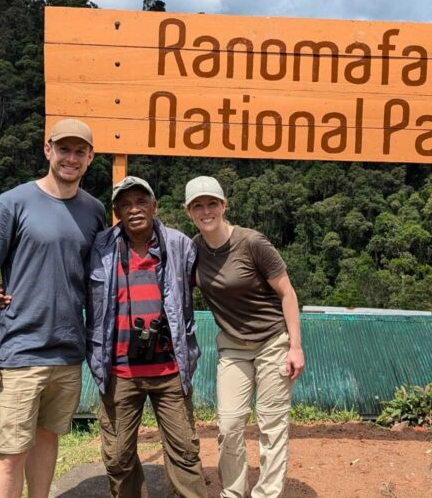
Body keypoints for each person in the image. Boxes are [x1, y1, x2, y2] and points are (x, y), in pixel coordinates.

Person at [0, 118, 106, 498]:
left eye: (80, 151)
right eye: (64, 149)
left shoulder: (94, 211)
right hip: (20, 350)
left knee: (47, 439)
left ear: (91, 157)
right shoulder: (12, 203)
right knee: (11, 451)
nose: (71, 158)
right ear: (48, 150)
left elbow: (95, 279)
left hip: (67, 352)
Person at [183, 176, 305, 498]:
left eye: (212, 204)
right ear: (189, 212)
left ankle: (266, 494)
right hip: (233, 348)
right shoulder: (192, 250)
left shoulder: (252, 243)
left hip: (272, 343)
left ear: (224, 206)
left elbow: (287, 293)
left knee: (271, 425)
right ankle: (233, 493)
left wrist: (295, 346)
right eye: (198, 206)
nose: (206, 211)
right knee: (229, 425)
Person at [86, 176, 207, 498]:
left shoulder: (180, 245)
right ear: (116, 211)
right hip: (119, 371)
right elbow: (65, 279)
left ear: (154, 206)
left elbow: (217, 280)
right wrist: (6, 291)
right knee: (117, 456)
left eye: (141, 202)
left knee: (184, 451)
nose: (134, 209)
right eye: (125, 204)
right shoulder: (99, 248)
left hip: (170, 370)